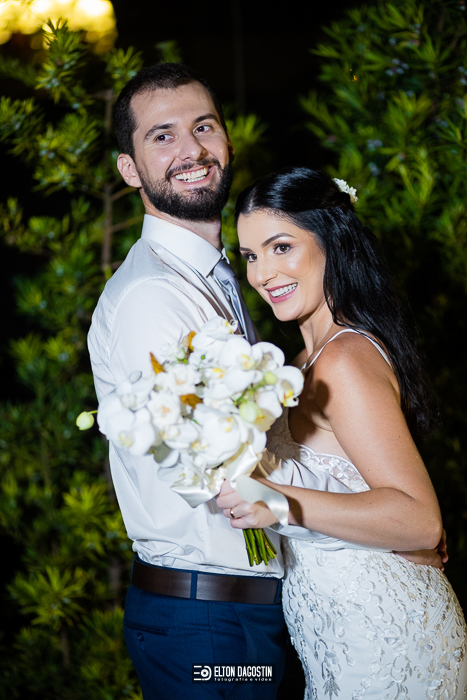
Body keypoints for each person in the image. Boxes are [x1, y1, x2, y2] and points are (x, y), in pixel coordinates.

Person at [217, 167, 467, 699]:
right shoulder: (298, 365)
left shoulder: (345, 360)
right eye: (251, 256)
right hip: (331, 632)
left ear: (330, 241)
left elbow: (420, 521)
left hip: (384, 634)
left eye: (281, 247)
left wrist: (276, 501)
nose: (263, 273)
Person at [87, 63, 289, 699]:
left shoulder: (214, 275)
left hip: (237, 610)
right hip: (208, 624)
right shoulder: (152, 294)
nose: (192, 151)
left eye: (204, 127)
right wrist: (368, 523)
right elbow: (210, 473)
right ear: (129, 170)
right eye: (163, 136)